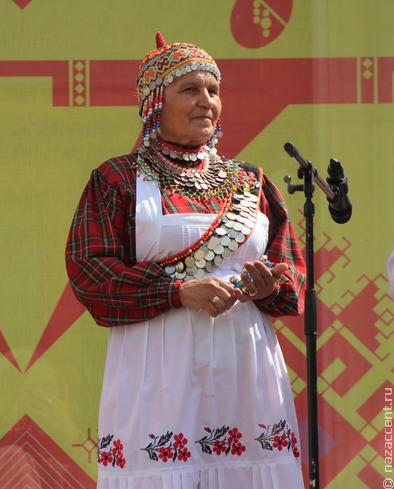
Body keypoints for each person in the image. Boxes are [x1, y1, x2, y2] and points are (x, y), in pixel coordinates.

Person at [65, 32, 306, 489]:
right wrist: (176, 292)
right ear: (156, 101)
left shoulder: (251, 181)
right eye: (190, 89)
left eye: (213, 90)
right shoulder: (117, 179)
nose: (206, 102)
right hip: (159, 363)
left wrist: (268, 287)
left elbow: (290, 270)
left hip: (246, 365)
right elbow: (89, 271)